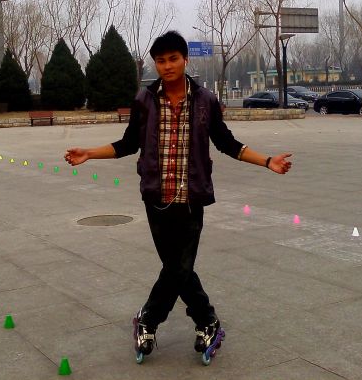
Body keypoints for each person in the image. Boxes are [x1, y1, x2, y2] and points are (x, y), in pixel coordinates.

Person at [64, 31, 292, 364]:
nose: (167, 66)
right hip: (156, 198)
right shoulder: (144, 100)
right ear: (155, 64)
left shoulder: (205, 101)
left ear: (185, 60)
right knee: (177, 269)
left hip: (191, 200)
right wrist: (89, 153)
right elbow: (128, 144)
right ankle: (206, 322)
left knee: (178, 267)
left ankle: (150, 320)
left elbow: (226, 143)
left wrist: (267, 161)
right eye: (161, 61)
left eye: (173, 59)